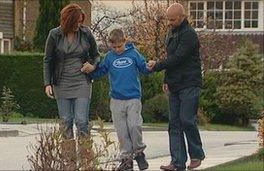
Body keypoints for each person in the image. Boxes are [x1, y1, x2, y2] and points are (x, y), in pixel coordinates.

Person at [81, 28, 150, 171]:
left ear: (125, 41)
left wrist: (151, 66)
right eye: (114, 47)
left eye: (120, 46)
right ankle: (126, 160)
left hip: (133, 98)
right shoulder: (109, 57)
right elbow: (100, 71)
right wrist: (90, 72)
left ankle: (139, 152)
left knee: (134, 126)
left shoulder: (134, 54)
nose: (117, 49)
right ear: (110, 45)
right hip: (117, 100)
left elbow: (144, 68)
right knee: (122, 132)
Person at [148, 3, 205, 171]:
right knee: (174, 123)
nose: (170, 22)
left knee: (187, 119)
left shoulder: (189, 35)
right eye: (168, 19)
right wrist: (166, 79)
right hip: (175, 83)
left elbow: (178, 58)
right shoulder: (171, 33)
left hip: (189, 82)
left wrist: (156, 65)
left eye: (173, 19)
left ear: (182, 17)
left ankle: (197, 154)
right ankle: (177, 162)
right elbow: (171, 58)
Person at [43, 3, 100, 139]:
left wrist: (92, 66)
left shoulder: (86, 33)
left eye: (81, 21)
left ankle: (86, 157)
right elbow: (47, 60)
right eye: (77, 21)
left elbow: (96, 55)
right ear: (68, 20)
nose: (79, 24)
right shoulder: (54, 34)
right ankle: (69, 159)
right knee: (66, 121)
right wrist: (47, 83)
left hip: (82, 82)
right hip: (61, 83)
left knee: (81, 121)